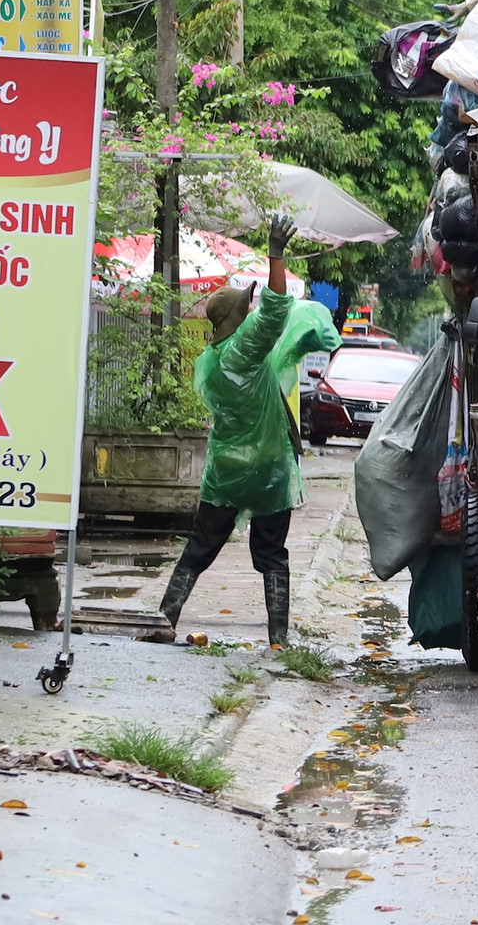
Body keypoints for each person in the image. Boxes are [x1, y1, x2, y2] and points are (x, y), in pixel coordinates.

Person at [155, 216, 340, 646]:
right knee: (272, 554)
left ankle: (165, 618)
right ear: (238, 322)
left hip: (226, 472)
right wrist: (274, 254)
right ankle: (278, 639)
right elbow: (276, 308)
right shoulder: (245, 351)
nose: (251, 313)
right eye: (246, 310)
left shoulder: (213, 363)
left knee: (200, 547)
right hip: (270, 472)